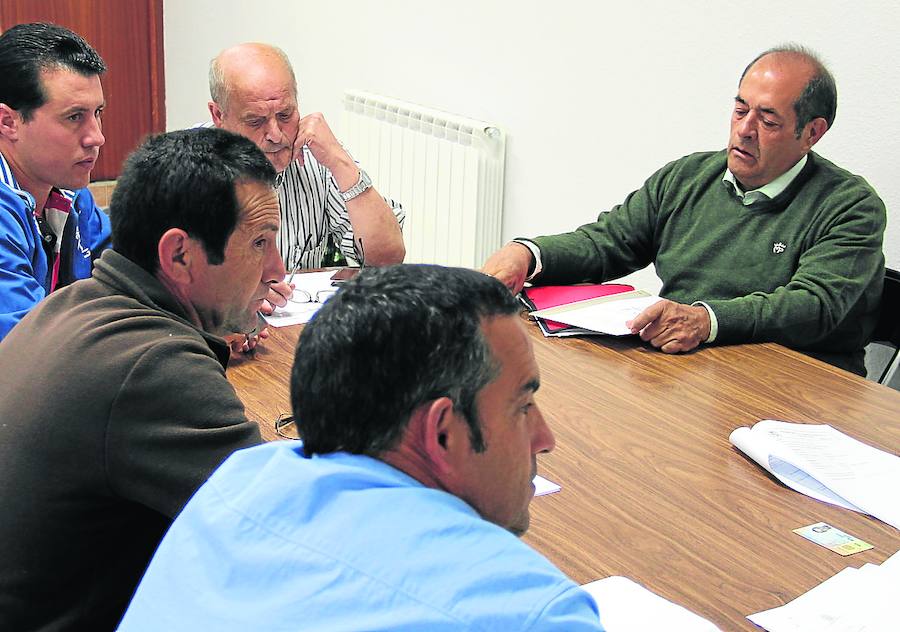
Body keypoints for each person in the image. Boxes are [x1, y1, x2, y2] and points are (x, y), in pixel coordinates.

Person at [118, 265, 604, 631]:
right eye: (522, 407)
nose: (546, 439)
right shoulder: (530, 612)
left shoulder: (237, 484)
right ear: (441, 432)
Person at [0, 128, 280, 630]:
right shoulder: (155, 365)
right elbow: (284, 531)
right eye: (260, 242)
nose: (275, 269)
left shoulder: (72, 303)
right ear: (178, 255)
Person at [483, 45, 885, 376]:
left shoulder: (850, 207)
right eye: (740, 109)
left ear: (812, 133)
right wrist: (529, 254)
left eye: (768, 120)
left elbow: (812, 306)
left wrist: (706, 321)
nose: (745, 129)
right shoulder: (689, 176)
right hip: (687, 369)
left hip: (796, 388)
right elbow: (611, 241)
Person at [208, 42, 406, 279]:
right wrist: (244, 289)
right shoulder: (187, 167)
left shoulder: (315, 154)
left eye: (285, 115)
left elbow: (388, 258)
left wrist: (340, 162)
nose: (275, 134)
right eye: (256, 121)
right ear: (219, 116)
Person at [0, 22, 111, 340]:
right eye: (74, 117)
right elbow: (28, 344)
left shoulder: (69, 191)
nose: (97, 137)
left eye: (97, 112)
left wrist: (205, 317)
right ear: (8, 122)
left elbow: (130, 273)